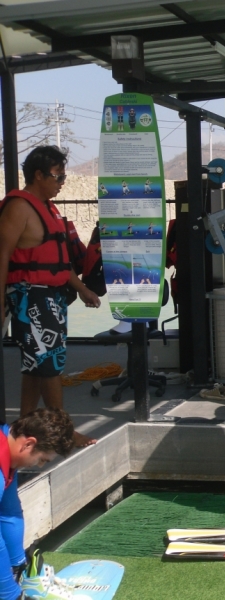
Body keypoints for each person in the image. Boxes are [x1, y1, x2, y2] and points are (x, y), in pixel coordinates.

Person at [0, 146, 101, 448]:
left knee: (34, 368)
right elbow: (2, 253)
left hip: (51, 297)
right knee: (50, 368)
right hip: (30, 298)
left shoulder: (49, 208)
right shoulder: (19, 207)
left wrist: (82, 288)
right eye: (58, 176)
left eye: (64, 175)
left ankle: (22, 431)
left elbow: (58, 261)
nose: (63, 182)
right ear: (38, 175)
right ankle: (64, 433)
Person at [0, 408, 75, 600]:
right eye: (42, 459)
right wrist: (10, 594)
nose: (40, 465)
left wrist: (19, 567)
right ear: (28, 443)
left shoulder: (6, 445)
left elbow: (9, 511)